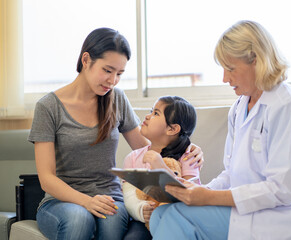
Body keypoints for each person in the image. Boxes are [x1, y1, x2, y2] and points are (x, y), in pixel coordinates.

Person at [149, 20, 291, 240]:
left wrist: (207, 198)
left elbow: (282, 190)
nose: (225, 79)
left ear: (256, 60)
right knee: (160, 214)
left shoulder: (289, 105)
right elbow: (232, 173)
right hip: (254, 209)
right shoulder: (239, 108)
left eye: (231, 68)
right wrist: (199, 190)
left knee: (175, 216)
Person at [28, 27, 203, 240]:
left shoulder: (116, 99)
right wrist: (86, 201)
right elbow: (47, 179)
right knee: (79, 219)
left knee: (111, 224)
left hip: (111, 196)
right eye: (107, 70)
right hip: (62, 202)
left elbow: (147, 148)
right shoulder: (48, 107)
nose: (112, 81)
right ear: (86, 60)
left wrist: (186, 148)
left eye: (119, 74)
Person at [122, 96, 200, 231]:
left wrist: (162, 168)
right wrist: (140, 210)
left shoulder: (188, 157)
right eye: (151, 111)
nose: (147, 116)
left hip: (176, 219)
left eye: (156, 113)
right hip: (143, 221)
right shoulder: (133, 158)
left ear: (172, 129)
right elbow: (128, 195)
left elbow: (191, 196)